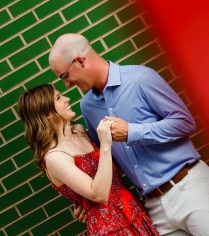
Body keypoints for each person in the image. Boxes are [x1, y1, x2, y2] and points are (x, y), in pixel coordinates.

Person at [48, 33, 209, 236]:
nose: (66, 85)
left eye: (65, 76)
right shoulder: (88, 108)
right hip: (153, 208)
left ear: (80, 61)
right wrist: (87, 200)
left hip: (189, 189)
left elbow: (185, 123)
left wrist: (132, 131)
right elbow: (107, 163)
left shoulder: (140, 79)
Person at [18, 84, 159, 235]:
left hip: (133, 212)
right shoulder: (55, 157)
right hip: (111, 229)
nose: (67, 99)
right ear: (46, 113)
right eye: (58, 98)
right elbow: (99, 194)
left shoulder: (79, 131)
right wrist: (105, 144)